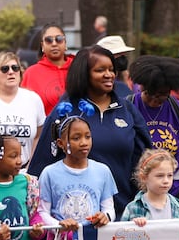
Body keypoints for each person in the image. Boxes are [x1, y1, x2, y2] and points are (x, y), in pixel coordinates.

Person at [29, 45, 150, 219]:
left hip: (125, 214)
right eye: (100, 70)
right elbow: (42, 166)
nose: (109, 74)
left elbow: (144, 160)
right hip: (75, 219)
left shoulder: (126, 109)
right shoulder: (65, 111)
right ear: (84, 74)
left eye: (111, 69)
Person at [127, 55, 179, 203]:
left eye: (161, 97)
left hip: (173, 194)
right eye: (149, 95)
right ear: (141, 87)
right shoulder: (128, 107)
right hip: (136, 194)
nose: (154, 101)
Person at [0, 51, 46, 164]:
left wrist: (31, 165)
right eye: (5, 69)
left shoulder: (33, 99)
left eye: (15, 68)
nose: (11, 72)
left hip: (24, 171)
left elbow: (39, 135)